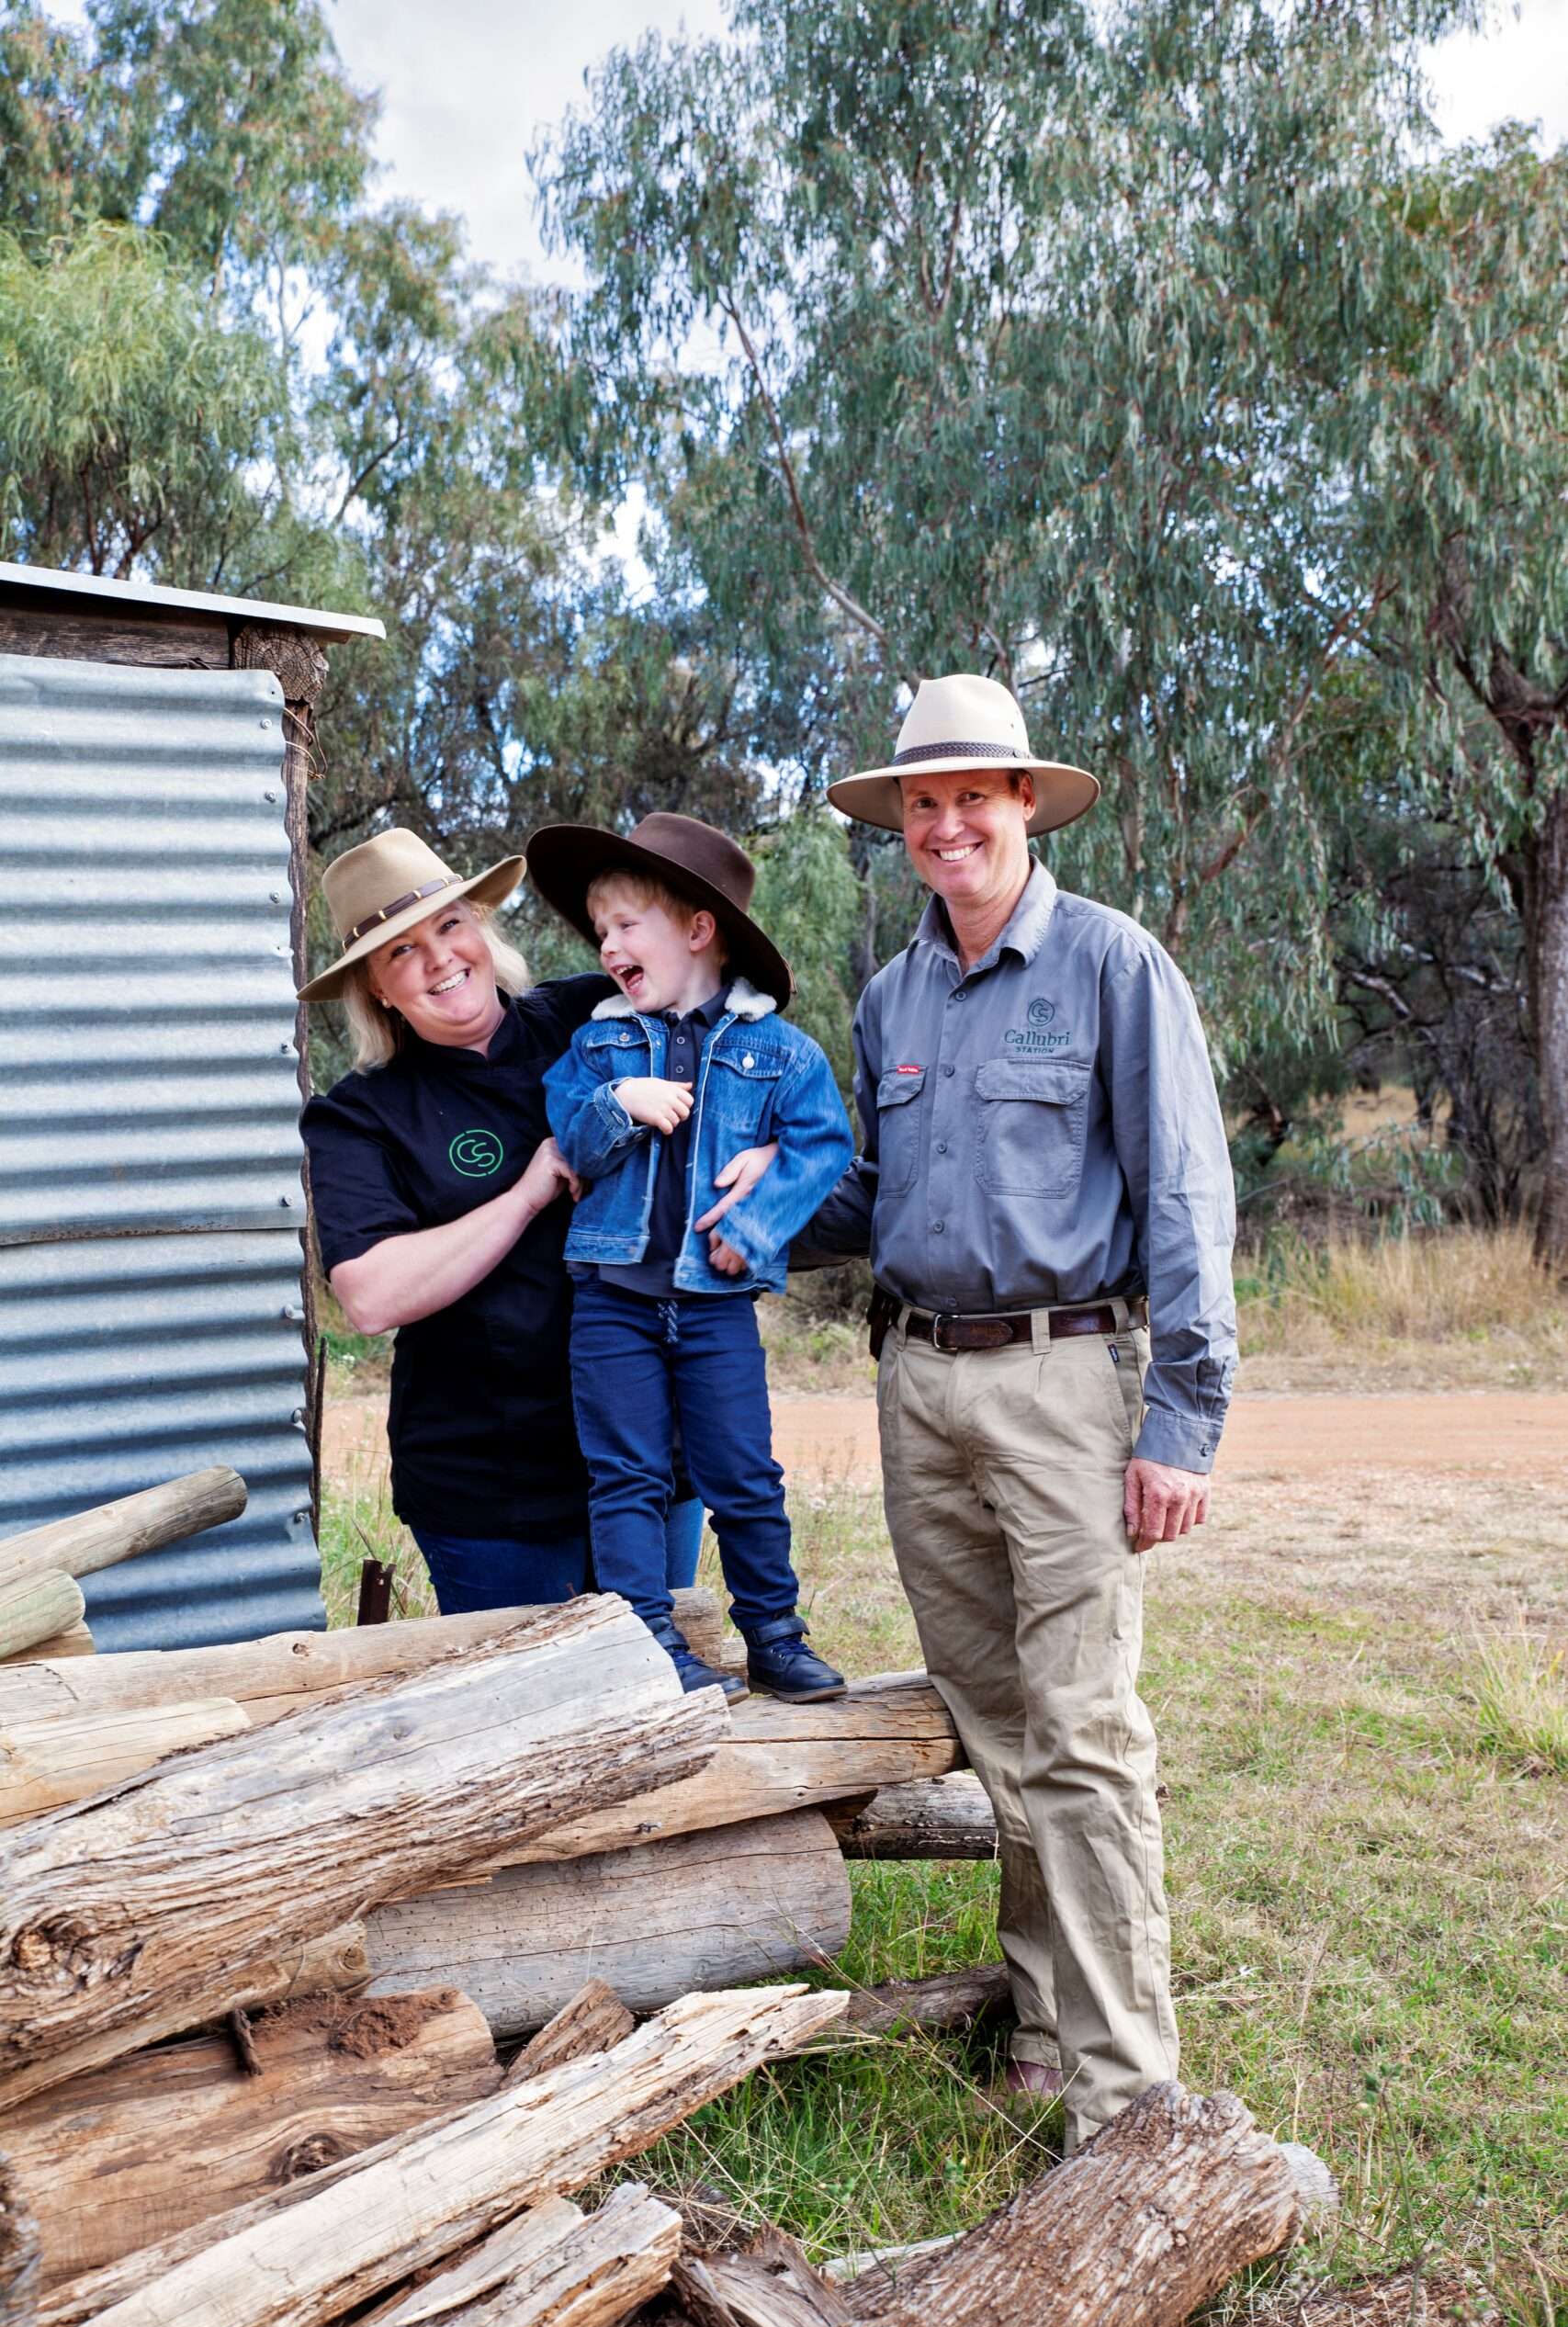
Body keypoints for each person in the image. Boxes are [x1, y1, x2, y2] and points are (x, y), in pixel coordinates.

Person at [799, 673, 1237, 2154]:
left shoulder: (1112, 969)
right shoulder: (891, 997)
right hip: (918, 1382)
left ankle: (1127, 2103)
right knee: (997, 1726)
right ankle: (1042, 2020)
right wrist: (753, 1200)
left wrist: (1180, 1417)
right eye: (918, 804)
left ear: (1025, 807)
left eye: (969, 797)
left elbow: (1181, 1196)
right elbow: (877, 1193)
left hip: (1067, 1383)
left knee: (1083, 1730)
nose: (943, 825)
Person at [298, 827, 773, 1611]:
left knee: (663, 1691)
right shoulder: (360, 1117)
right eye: (400, 952)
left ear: (481, 929)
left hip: (652, 1446)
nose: (440, 958)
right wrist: (527, 1191)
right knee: (523, 1716)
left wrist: (765, 1149)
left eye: (450, 925)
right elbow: (371, 1297)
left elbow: (738, 1029)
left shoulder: (590, 1013)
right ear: (376, 988)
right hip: (493, 1487)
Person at [530, 811, 855, 1703]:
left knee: (743, 1473)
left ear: (698, 931)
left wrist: (753, 1230)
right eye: (601, 932)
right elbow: (572, 1146)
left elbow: (823, 1146)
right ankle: (644, 1643)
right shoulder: (595, 1047)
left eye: (626, 926)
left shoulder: (778, 1049)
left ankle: (776, 1637)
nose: (608, 946)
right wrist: (618, 1102)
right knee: (626, 1476)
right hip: (613, 1302)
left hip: (713, 1303)